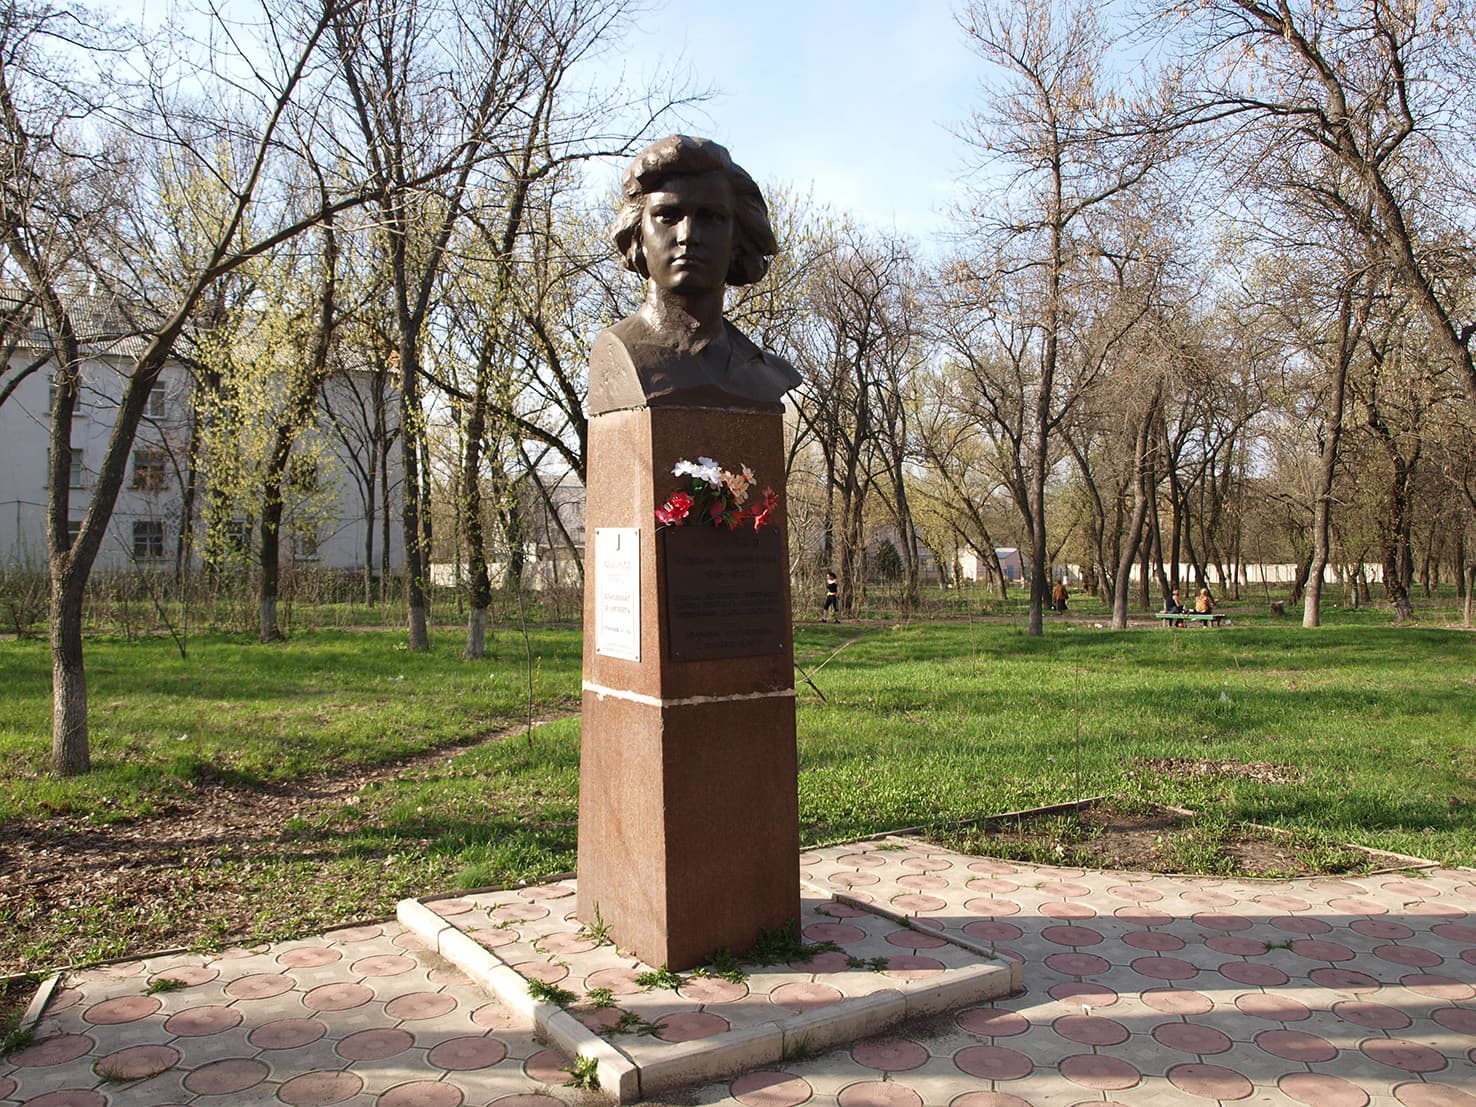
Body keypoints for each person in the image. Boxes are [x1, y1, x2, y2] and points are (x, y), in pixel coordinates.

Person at [588, 135, 801, 416]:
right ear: (638, 235)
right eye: (668, 217)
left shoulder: (766, 372)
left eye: (711, 217)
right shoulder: (621, 354)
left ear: (738, 239)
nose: (688, 235)